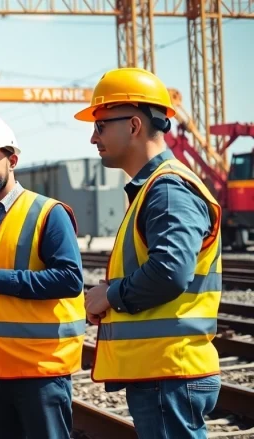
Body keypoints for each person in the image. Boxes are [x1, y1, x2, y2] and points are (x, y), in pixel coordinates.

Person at [75, 67, 222, 438]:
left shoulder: (168, 189)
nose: (93, 137)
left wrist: (110, 295)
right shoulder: (153, 189)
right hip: (164, 372)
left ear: (134, 125)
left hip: (169, 372)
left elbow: (170, 272)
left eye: (100, 125)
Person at [0, 114, 86, 439]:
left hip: (39, 371)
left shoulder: (48, 213)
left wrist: (1, 280)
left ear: (13, 161)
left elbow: (70, 279)